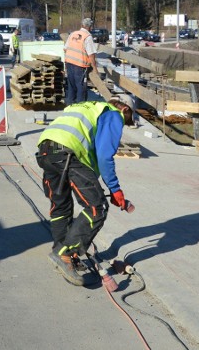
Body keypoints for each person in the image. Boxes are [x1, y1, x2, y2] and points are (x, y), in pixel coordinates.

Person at [36, 99, 134, 286]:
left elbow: (93, 157)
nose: (124, 125)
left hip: (46, 150)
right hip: (67, 153)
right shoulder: (113, 114)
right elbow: (105, 155)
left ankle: (61, 249)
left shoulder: (87, 107)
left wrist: (97, 183)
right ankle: (66, 254)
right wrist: (115, 189)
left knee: (60, 205)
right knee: (97, 207)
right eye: (127, 120)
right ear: (126, 109)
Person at [63, 18, 97, 106]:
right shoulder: (87, 37)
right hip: (79, 65)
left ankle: (69, 106)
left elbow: (65, 48)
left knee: (71, 86)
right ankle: (80, 107)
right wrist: (95, 68)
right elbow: (91, 54)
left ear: (82, 25)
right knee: (81, 87)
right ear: (90, 27)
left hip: (69, 63)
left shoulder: (73, 34)